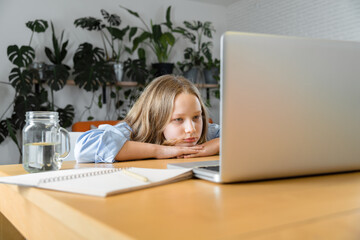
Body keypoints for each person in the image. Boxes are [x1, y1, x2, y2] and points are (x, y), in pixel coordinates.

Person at [75, 75, 220, 163]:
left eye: (196, 117)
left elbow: (240, 135)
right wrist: (160, 151)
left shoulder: (206, 133)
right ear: (155, 119)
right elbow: (83, 148)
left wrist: (212, 146)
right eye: (178, 120)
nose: (191, 129)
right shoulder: (133, 132)